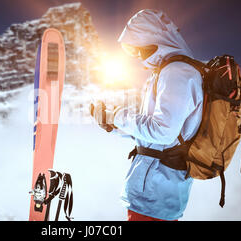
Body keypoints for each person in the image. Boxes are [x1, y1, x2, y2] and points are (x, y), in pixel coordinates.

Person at [90, 9, 203, 221]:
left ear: (156, 41)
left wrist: (116, 116)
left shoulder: (177, 73)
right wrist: (113, 125)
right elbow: (155, 137)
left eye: (141, 50)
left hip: (154, 196)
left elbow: (163, 132)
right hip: (155, 195)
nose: (140, 59)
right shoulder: (171, 71)